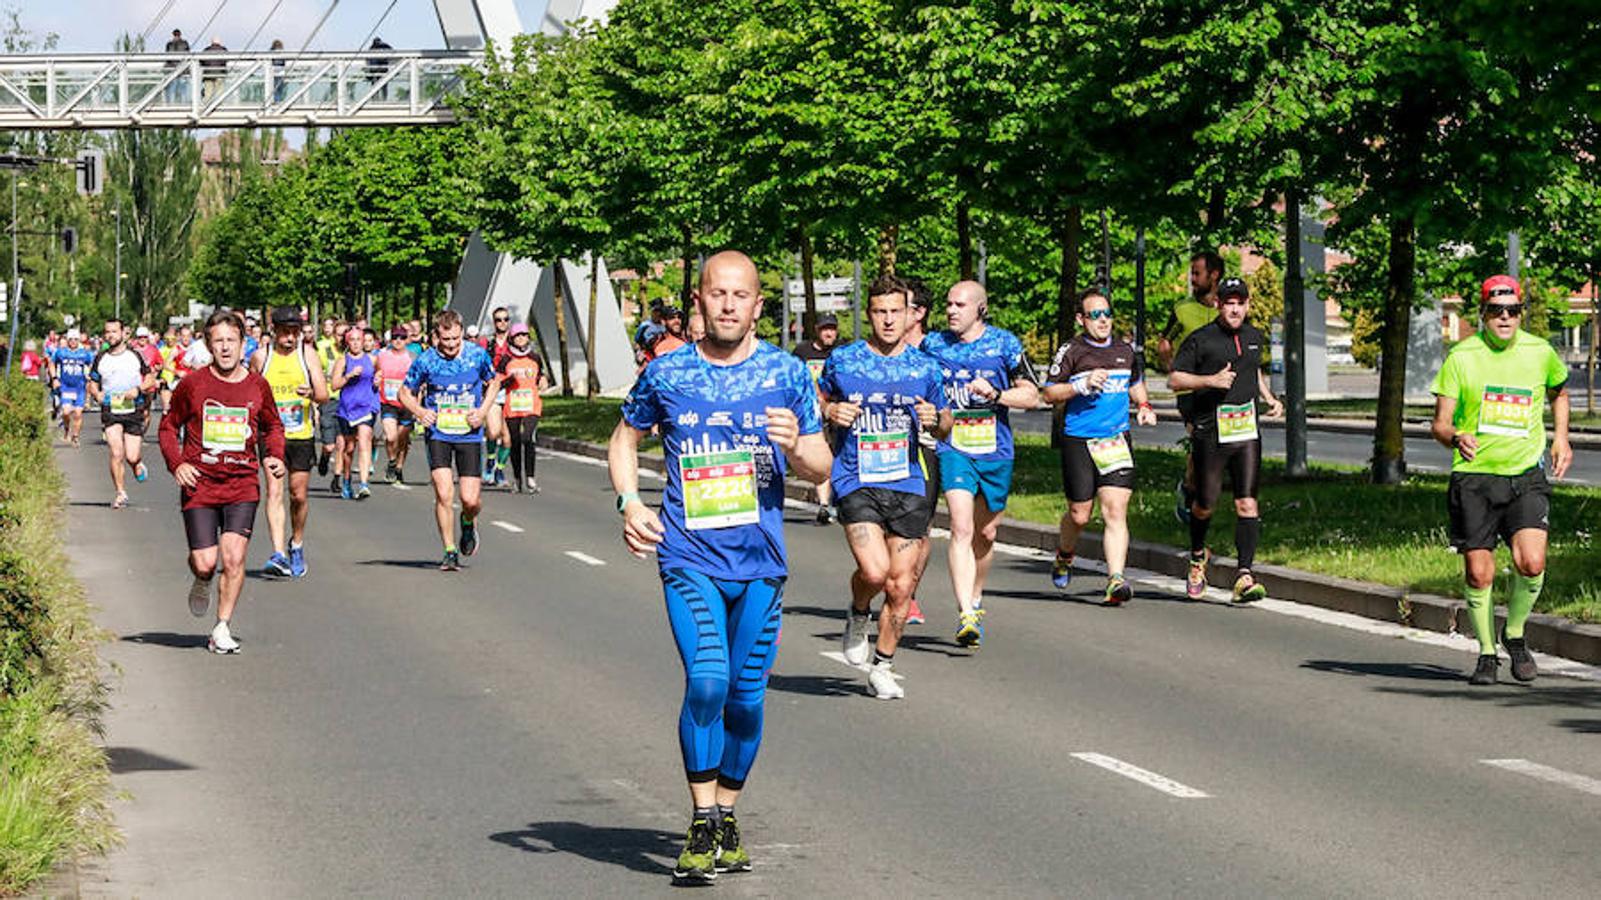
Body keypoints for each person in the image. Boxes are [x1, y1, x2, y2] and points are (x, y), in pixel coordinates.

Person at [608, 251, 830, 883]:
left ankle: (727, 811)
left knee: (746, 701)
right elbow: (624, 439)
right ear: (699, 301)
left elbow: (820, 464)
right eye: (717, 294)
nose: (729, 304)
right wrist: (629, 501)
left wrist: (798, 446)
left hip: (761, 563)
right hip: (689, 555)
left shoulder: (787, 374)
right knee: (707, 680)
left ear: (759, 305)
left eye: (741, 295)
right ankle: (702, 820)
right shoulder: (667, 372)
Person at [1430, 275, 1572, 685]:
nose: (1505, 318)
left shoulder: (1539, 351)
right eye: (1497, 310)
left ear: (1520, 313)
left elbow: (1559, 391)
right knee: (1479, 574)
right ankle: (1487, 653)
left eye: (1513, 310)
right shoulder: (1462, 357)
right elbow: (1439, 425)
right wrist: (1456, 436)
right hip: (1474, 479)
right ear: (1484, 314)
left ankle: (1514, 634)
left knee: (1532, 562)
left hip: (1525, 474)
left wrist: (1561, 436)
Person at [822, 275, 949, 699]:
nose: (889, 320)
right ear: (869, 314)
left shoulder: (926, 366)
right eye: (880, 312)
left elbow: (946, 423)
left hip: (908, 481)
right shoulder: (844, 360)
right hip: (856, 478)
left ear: (911, 313)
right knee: (875, 572)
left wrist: (936, 419)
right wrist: (832, 410)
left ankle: (884, 664)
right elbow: (817, 401)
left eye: (897, 311)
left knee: (901, 584)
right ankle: (859, 612)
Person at [921, 281, 1040, 648]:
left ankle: (975, 597)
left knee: (985, 534)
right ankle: (966, 614)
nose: (952, 310)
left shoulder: (1004, 344)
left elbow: (1033, 395)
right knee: (960, 526)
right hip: (953, 445)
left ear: (980, 309)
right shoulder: (934, 345)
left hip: (995, 449)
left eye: (960, 304)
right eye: (948, 304)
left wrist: (998, 394)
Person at [158, 310, 285, 654]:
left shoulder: (258, 385)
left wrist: (273, 454)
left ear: (243, 344)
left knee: (233, 558)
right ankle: (202, 581)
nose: (226, 348)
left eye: (232, 340)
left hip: (242, 483)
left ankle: (222, 626)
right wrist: (177, 463)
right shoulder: (194, 384)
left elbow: (272, 426)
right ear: (208, 345)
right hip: (200, 483)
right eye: (219, 341)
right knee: (205, 562)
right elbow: (168, 427)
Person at [1167, 277, 1284, 602]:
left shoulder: (1253, 336)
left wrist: (1270, 398)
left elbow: (1253, 371)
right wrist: (1209, 380)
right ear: (1218, 304)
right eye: (1228, 302)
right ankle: (1196, 556)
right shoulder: (1201, 340)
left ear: (1247, 305)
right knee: (1205, 504)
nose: (1234, 308)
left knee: (1247, 502)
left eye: (1240, 303)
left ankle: (1245, 575)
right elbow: (1175, 379)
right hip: (1211, 432)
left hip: (1246, 431)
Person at [1043, 288, 1159, 604]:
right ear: (1081, 319)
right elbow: (1049, 393)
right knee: (1080, 515)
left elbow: (1134, 382)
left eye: (1107, 313)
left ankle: (1115, 579)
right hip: (1079, 439)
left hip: (1116, 438)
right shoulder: (1072, 351)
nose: (1103, 320)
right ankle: (1065, 554)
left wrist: (1144, 405)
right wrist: (1081, 384)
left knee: (1115, 510)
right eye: (1095, 315)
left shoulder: (1125, 350)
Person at [399, 310, 497, 571]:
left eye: (455, 338)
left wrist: (483, 411)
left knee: (470, 500)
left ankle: (467, 522)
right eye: (446, 340)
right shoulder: (427, 360)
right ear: (437, 336)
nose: (452, 345)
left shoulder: (476, 355)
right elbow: (404, 392)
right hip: (439, 434)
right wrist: (420, 412)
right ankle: (449, 551)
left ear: (462, 332)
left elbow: (494, 383)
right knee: (443, 493)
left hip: (469, 434)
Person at [251, 308, 328, 578]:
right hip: (271, 437)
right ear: (274, 331)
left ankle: (296, 543)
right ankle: (278, 554)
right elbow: (251, 393)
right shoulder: (262, 357)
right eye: (285, 332)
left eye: (295, 332)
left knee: (298, 495)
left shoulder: (307, 355)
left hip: (301, 434)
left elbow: (324, 394)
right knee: (274, 492)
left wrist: (311, 393)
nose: (290, 338)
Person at [1162, 250, 1225, 524]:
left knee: (1213, 447)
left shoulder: (1227, 308)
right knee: (1201, 440)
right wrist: (1173, 370)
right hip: (1190, 392)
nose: (1193, 279)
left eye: (1197, 273)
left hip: (1221, 389)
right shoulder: (1182, 309)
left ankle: (1194, 488)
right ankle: (1191, 496)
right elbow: (1164, 342)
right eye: (1192, 273)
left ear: (1214, 275)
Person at [88, 319, 156, 509]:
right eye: (107, 332)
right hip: (111, 410)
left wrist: (138, 389)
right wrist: (97, 394)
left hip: (133, 409)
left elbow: (150, 378)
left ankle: (136, 464)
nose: (110, 335)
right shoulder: (101, 357)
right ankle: (120, 492)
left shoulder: (135, 355)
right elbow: (92, 382)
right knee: (116, 452)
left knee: (132, 456)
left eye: (114, 332)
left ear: (123, 333)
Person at [901, 278, 936, 625]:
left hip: (924, 448)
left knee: (919, 528)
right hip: (877, 450)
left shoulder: (935, 352)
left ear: (919, 313)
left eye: (901, 307)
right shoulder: (871, 353)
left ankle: (907, 594)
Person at [490, 323, 550, 493]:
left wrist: (543, 381)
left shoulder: (535, 357)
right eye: (518, 335)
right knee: (515, 442)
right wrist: (510, 380)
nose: (521, 338)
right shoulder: (506, 360)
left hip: (532, 406)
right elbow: (498, 382)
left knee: (528, 438)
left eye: (524, 335)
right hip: (512, 407)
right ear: (512, 339)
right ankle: (517, 478)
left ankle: (530, 478)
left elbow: (541, 375)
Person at [793, 313, 841, 524]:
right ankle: (823, 505)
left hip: (837, 410)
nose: (829, 333)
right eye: (824, 329)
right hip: (811, 411)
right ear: (817, 330)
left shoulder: (841, 353)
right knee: (821, 454)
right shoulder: (802, 352)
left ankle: (837, 500)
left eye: (832, 328)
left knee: (838, 454)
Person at [330, 324, 380, 500]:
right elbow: (334, 385)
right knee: (349, 448)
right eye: (352, 340)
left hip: (367, 406)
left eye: (360, 340)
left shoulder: (372, 359)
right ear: (347, 342)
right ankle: (346, 480)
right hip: (347, 408)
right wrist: (348, 376)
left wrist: (377, 380)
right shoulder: (343, 361)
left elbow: (379, 375)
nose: (357, 343)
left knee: (365, 440)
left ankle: (364, 484)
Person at [377, 326, 417, 483]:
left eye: (401, 337)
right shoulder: (382, 356)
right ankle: (392, 461)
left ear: (406, 339)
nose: (398, 341)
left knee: (403, 439)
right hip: (387, 401)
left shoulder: (413, 357)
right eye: (395, 337)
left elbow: (419, 380)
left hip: (407, 403)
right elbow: (375, 372)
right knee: (391, 436)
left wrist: (417, 401)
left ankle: (399, 467)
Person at [484, 307, 514, 486]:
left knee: (508, 439)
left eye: (505, 319)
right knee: (494, 431)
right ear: (493, 322)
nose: (502, 323)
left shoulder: (516, 341)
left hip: (512, 392)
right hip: (494, 390)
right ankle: (489, 461)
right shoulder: (487, 343)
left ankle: (499, 470)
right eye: (498, 320)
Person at [52, 328, 94, 448]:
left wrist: (90, 375)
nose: (73, 342)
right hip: (66, 387)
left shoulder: (84, 353)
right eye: (71, 339)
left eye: (76, 339)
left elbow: (92, 364)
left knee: (78, 413)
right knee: (66, 412)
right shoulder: (61, 352)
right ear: (68, 340)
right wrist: (54, 378)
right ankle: (66, 429)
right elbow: (51, 363)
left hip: (79, 387)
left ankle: (75, 437)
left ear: (79, 340)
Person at [315, 319, 344, 480]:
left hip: (347, 401)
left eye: (344, 335)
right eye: (339, 335)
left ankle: (337, 478)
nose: (342, 338)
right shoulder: (323, 348)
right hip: (329, 398)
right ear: (333, 334)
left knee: (342, 443)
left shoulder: (351, 352)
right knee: (329, 445)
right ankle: (325, 457)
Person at [163, 28, 190, 104]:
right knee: (183, 90)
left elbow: (167, 57)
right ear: (180, 35)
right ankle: (183, 105)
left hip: (172, 70)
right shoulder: (185, 43)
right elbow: (188, 55)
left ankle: (171, 105)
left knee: (172, 90)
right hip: (183, 70)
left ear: (173, 35)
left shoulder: (169, 44)